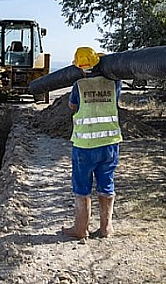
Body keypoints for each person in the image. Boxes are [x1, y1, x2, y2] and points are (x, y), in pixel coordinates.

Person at [63, 46, 122, 240]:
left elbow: (73, 106)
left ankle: (80, 229)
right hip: (109, 144)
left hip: (85, 147)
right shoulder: (114, 83)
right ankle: (106, 228)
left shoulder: (79, 85)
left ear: (79, 67)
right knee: (107, 185)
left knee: (82, 188)